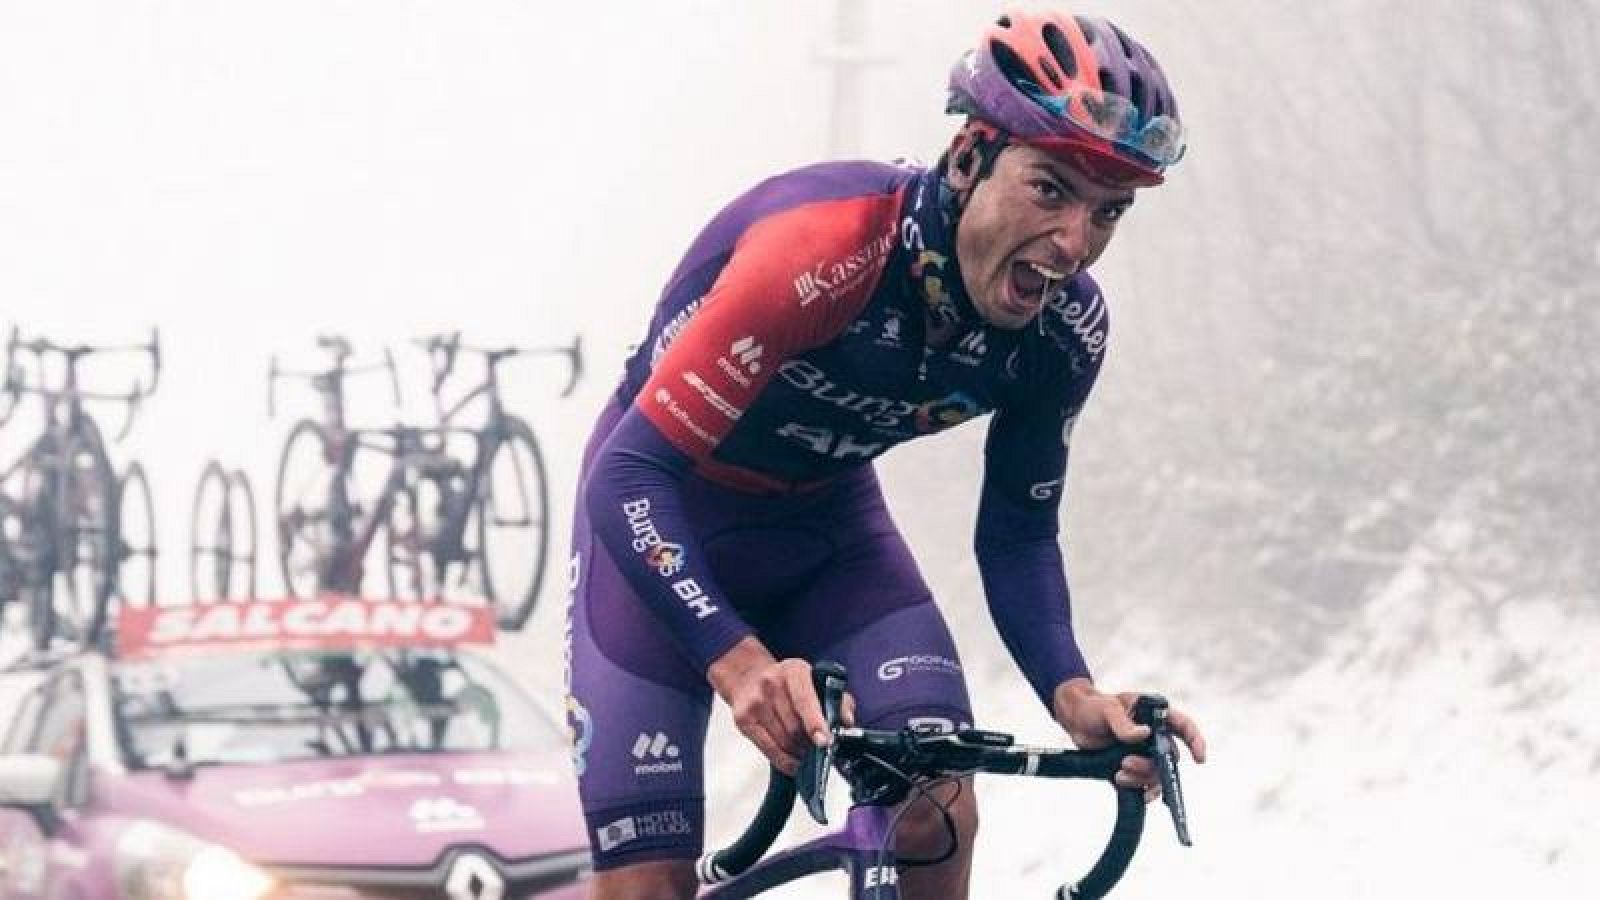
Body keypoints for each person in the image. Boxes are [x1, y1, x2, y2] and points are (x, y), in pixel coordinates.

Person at [565, 9, 1206, 898]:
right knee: (647, 887)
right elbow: (629, 477)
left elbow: (1019, 536)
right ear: (969, 158)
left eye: (1109, 212)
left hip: (828, 534)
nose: (1073, 244)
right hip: (659, 522)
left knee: (936, 813)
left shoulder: (1064, 332)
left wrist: (1074, 694)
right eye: (1050, 189)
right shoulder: (822, 250)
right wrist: (740, 661)